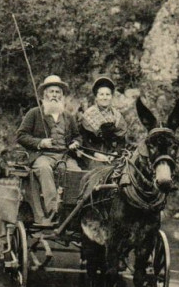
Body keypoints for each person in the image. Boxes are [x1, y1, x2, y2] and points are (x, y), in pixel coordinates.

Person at [17, 75, 82, 224]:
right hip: (42, 156)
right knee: (45, 169)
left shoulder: (68, 117)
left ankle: (72, 214)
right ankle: (53, 212)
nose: (54, 95)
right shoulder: (34, 113)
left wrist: (75, 143)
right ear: (45, 94)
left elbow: (78, 136)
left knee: (77, 173)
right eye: (51, 91)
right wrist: (40, 142)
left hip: (64, 157)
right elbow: (21, 136)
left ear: (62, 95)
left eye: (57, 92)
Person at [78, 76, 127, 167]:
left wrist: (115, 153)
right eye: (101, 94)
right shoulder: (88, 115)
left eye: (107, 95)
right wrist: (97, 154)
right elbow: (84, 140)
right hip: (93, 154)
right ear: (96, 97)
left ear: (111, 97)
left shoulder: (117, 115)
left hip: (112, 155)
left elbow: (121, 141)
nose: (105, 98)